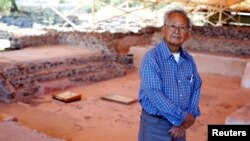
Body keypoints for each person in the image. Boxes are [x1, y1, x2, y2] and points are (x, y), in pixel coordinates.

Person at [138, 8, 202, 141]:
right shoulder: (152, 58)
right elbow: (154, 93)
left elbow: (196, 86)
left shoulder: (189, 60)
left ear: (188, 34)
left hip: (181, 128)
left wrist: (186, 119)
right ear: (163, 30)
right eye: (172, 26)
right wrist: (182, 118)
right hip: (156, 126)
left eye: (182, 27)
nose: (177, 31)